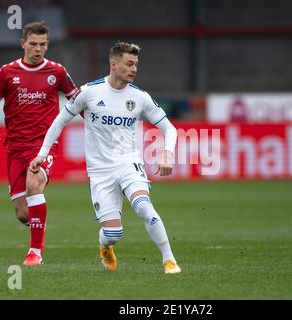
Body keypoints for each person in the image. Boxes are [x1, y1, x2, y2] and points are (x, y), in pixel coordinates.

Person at [29, 42, 181, 274]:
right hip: (100, 172)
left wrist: (168, 153)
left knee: (144, 208)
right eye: (129, 64)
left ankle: (169, 260)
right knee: (113, 234)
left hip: (129, 163)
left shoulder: (140, 97)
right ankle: (105, 246)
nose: (134, 69)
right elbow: (59, 121)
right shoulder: (89, 92)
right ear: (114, 64)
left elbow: (169, 129)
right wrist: (42, 154)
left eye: (136, 65)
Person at [0, 21, 78, 266]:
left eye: (43, 45)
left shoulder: (57, 72)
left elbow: (76, 100)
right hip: (15, 147)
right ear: (23, 44)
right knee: (23, 212)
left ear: (48, 45)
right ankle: (37, 217)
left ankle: (35, 252)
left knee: (34, 185)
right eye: (34, 44)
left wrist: (96, 120)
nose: (39, 49)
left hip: (45, 143)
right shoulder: (7, 72)